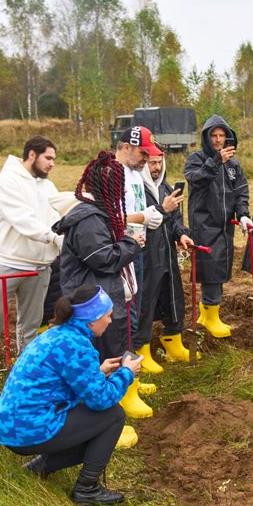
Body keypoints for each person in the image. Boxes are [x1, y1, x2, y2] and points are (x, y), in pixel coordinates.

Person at [0, 286, 143, 506]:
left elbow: (62, 378)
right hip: (28, 429)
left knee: (92, 426)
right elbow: (100, 399)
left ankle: (37, 468)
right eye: (108, 316)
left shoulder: (59, 334)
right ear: (92, 320)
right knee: (113, 416)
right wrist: (127, 373)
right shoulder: (77, 346)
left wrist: (98, 371)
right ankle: (87, 489)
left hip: (13, 425)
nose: (111, 321)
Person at [53, 152, 148, 422]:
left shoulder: (101, 213)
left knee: (117, 345)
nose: (121, 194)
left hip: (105, 296)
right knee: (101, 355)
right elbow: (102, 258)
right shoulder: (89, 219)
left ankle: (123, 396)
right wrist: (133, 244)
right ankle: (100, 415)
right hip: (91, 302)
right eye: (119, 187)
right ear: (110, 188)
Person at [0, 136, 67, 379]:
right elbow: (22, 219)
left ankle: (24, 370)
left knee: (31, 323)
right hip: (6, 261)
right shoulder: (8, 181)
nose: (52, 164)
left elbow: (59, 213)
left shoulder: (47, 186)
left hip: (38, 265)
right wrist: (52, 237)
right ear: (32, 155)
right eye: (48, 158)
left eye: (54, 159)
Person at [115, 126, 179, 375]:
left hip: (136, 251)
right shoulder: (113, 174)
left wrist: (149, 218)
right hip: (120, 254)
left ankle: (130, 372)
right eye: (143, 153)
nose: (146, 159)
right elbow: (107, 218)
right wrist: (145, 215)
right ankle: (121, 376)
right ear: (126, 147)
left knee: (134, 312)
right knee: (123, 316)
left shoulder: (133, 173)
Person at [184, 115, 251, 338]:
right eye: (214, 135)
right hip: (204, 224)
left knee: (220, 268)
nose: (218, 140)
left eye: (222, 135)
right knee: (210, 268)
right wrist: (215, 162)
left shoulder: (234, 165)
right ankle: (211, 316)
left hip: (225, 226)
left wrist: (243, 215)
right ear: (207, 137)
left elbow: (241, 191)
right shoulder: (197, 158)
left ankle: (207, 314)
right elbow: (195, 179)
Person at [133, 153, 195, 369]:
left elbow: (175, 220)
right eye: (152, 163)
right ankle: (141, 350)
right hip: (146, 256)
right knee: (145, 302)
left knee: (173, 297)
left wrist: (181, 234)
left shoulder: (165, 189)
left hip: (167, 255)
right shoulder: (137, 190)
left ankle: (173, 342)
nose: (156, 167)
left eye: (159, 162)